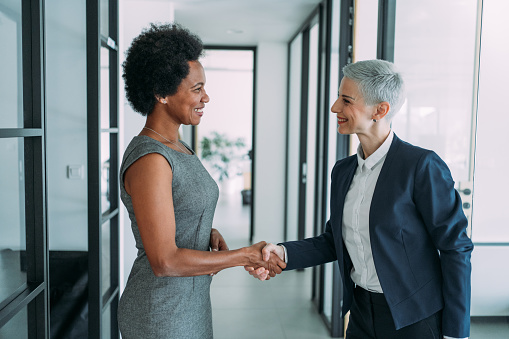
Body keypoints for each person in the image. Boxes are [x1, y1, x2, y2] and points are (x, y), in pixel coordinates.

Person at [246, 59, 473, 339]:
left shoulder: (421, 166)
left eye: (346, 100)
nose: (334, 108)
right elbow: (334, 241)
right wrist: (282, 252)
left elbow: (456, 247)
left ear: (380, 110)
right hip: (362, 314)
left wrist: (456, 331)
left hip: (415, 318)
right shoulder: (343, 171)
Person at [118, 23, 285, 339]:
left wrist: (201, 229)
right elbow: (165, 261)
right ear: (161, 93)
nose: (206, 97)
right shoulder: (151, 159)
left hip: (189, 302)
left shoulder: (178, 146)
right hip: (161, 313)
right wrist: (243, 256)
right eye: (196, 88)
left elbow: (174, 207)